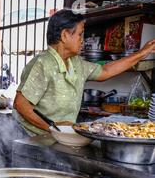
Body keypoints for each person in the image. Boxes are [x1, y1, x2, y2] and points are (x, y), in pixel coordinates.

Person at [13, 9, 155, 136]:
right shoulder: (42, 63)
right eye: (80, 34)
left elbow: (106, 71)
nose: (83, 40)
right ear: (64, 36)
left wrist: (142, 53)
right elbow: (21, 104)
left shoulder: (76, 63)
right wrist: (52, 128)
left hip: (57, 137)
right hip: (32, 137)